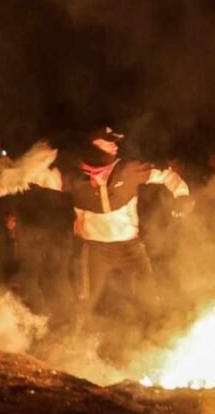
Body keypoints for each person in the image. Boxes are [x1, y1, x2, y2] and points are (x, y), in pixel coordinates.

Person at [33, 126, 192, 337]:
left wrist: (182, 196)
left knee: (148, 294)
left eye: (115, 141)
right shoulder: (73, 178)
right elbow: (35, 176)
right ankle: (72, 343)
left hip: (129, 248)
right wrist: (23, 164)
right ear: (92, 144)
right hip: (94, 249)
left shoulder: (128, 169)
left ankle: (159, 338)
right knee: (85, 300)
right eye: (108, 141)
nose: (115, 145)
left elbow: (166, 175)